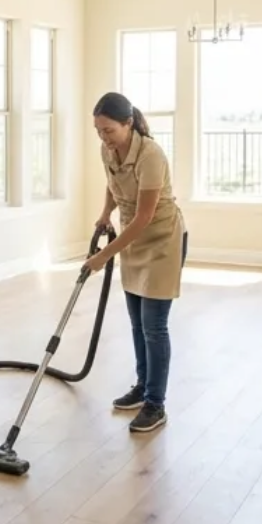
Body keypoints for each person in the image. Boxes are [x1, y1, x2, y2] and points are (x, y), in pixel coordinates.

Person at [83, 91, 188, 433]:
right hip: (131, 238)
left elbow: (144, 216)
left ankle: (156, 405)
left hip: (160, 239)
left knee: (154, 326)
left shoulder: (151, 155)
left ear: (128, 124)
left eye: (109, 130)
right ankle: (142, 388)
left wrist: (103, 256)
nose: (104, 137)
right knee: (136, 322)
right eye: (99, 130)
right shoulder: (108, 149)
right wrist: (104, 215)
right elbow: (113, 185)